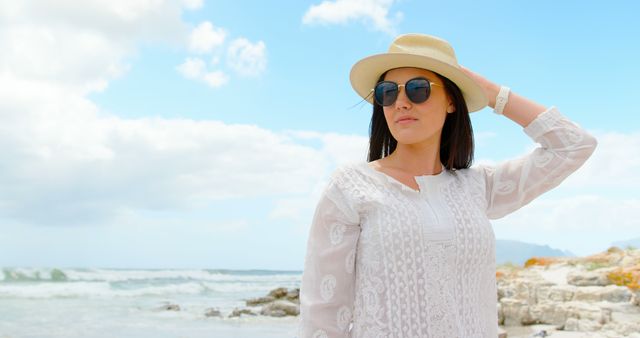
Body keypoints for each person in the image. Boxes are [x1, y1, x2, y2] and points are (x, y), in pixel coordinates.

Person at [297, 33, 597, 338]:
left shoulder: (477, 187)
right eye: (387, 92)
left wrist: (492, 93)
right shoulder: (351, 187)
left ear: (451, 100)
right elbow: (322, 313)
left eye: (418, 89)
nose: (400, 103)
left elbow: (573, 146)